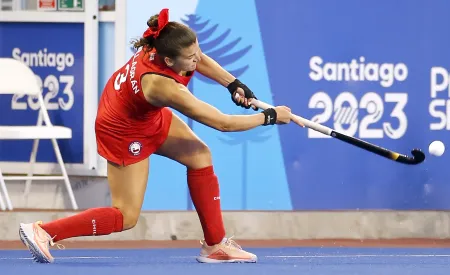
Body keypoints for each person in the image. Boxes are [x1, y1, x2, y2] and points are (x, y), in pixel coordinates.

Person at [18, 8, 302, 264]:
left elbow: (198, 57)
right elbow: (223, 124)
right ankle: (43, 231)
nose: (196, 59)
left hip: (143, 115)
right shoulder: (162, 86)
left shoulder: (168, 40)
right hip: (122, 130)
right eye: (189, 59)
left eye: (196, 51)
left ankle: (215, 246)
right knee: (126, 216)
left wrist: (233, 84)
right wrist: (270, 117)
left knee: (200, 156)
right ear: (169, 61)